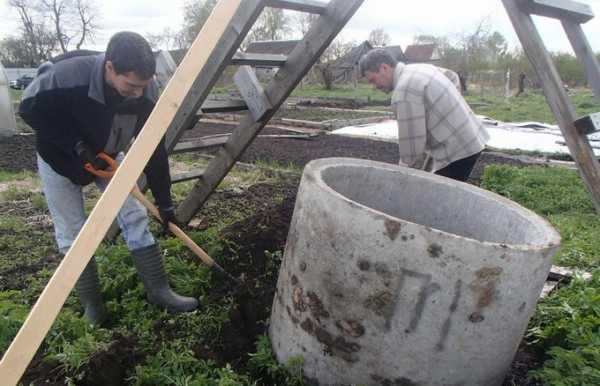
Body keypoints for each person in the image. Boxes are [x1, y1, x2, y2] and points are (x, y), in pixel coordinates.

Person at [19, 31, 198, 325]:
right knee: (73, 234)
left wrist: (165, 205)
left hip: (107, 155)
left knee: (135, 215)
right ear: (110, 67)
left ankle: (159, 290)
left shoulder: (145, 92)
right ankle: (93, 307)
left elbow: (153, 149)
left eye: (143, 85)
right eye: (131, 85)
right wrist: (75, 146)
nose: (138, 93)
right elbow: (29, 109)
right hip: (59, 159)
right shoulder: (65, 76)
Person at [359, 49, 489, 181]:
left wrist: (399, 177)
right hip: (471, 138)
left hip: (457, 151)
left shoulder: (404, 91)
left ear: (384, 67)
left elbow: (412, 150)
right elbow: (452, 76)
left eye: (373, 80)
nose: (374, 87)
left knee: (439, 197)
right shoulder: (419, 68)